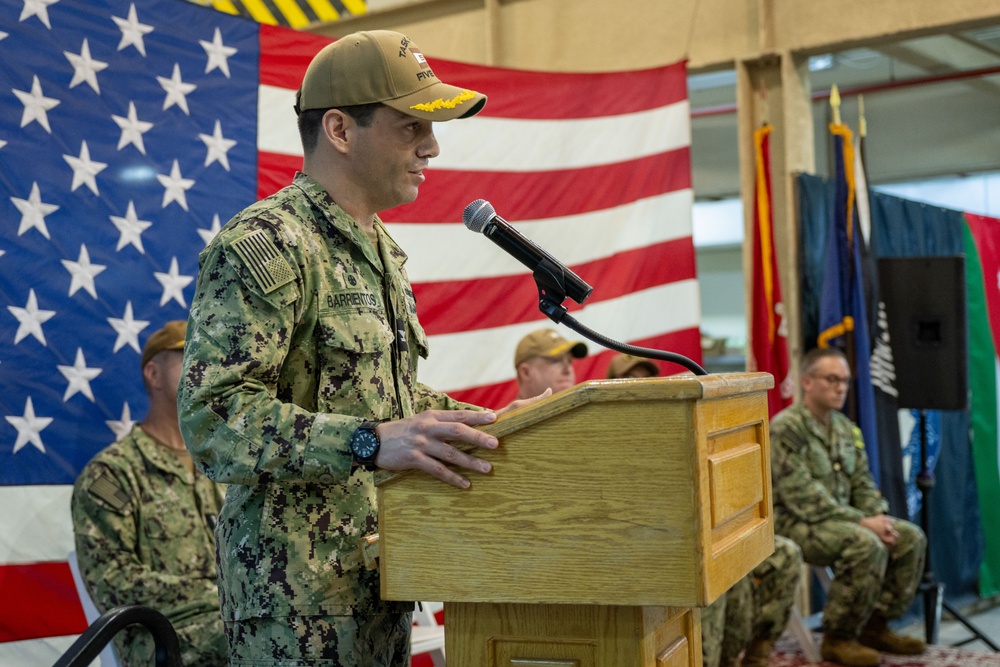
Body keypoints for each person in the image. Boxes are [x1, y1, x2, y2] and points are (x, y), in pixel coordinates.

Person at [177, 30, 534, 667]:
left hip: (377, 576)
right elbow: (215, 420)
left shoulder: (378, 252)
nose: (432, 147)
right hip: (294, 603)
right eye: (410, 128)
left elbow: (388, 400)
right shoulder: (266, 244)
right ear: (340, 129)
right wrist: (368, 441)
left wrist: (515, 426)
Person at [604, 353, 802, 667]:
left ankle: (748, 653)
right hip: (658, 549)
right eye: (632, 381)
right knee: (711, 575)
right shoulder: (603, 437)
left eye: (646, 380)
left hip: (711, 530)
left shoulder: (674, 430)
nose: (641, 387)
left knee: (769, 555)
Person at [71, 320, 227, 667]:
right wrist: (223, 595)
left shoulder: (223, 464)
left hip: (232, 620)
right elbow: (113, 581)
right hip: (160, 640)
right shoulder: (113, 474)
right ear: (153, 375)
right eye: (189, 356)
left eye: (208, 356)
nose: (204, 366)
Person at [770, 347, 927, 667]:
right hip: (794, 522)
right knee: (866, 543)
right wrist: (862, 522)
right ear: (807, 382)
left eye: (844, 381)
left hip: (839, 520)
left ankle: (874, 626)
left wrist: (877, 515)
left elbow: (863, 484)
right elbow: (803, 497)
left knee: (909, 537)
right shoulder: (786, 428)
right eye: (831, 379)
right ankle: (838, 638)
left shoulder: (845, 429)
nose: (841, 387)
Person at [513, 328, 588, 399]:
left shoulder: (589, 411)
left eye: (569, 361)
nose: (568, 370)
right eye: (555, 360)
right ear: (526, 372)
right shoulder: (510, 413)